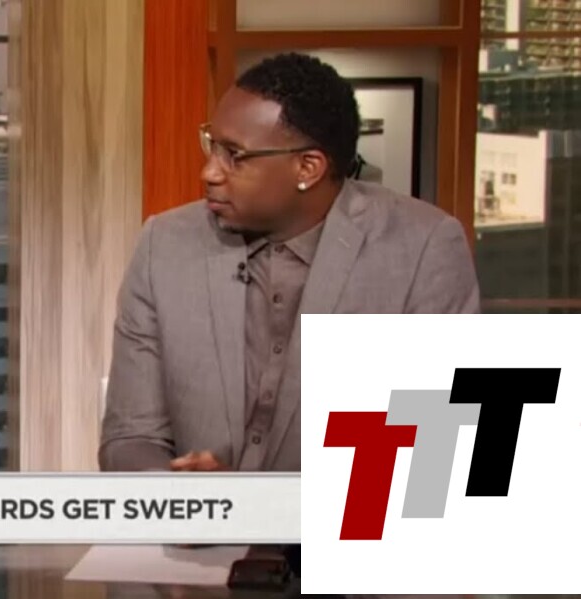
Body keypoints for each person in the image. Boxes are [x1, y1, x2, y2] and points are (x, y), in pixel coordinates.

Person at [99, 53, 479, 473]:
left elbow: (438, 454)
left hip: (343, 516)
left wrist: (269, 503)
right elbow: (129, 437)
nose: (209, 172)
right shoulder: (165, 246)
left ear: (307, 168)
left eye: (234, 155)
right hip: (197, 519)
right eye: (212, 145)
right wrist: (183, 493)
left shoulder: (422, 249)